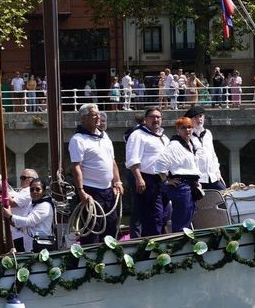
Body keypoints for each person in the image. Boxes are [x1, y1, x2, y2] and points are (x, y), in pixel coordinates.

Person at [68, 104, 124, 245]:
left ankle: (109, 258)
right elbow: (76, 167)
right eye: (94, 115)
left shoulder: (105, 136)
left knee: (111, 226)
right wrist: (81, 191)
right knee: (93, 229)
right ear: (84, 118)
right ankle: (91, 262)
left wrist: (117, 181)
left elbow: (112, 161)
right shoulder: (78, 139)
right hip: (91, 191)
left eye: (98, 114)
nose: (98, 117)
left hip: (108, 190)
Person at [125, 106, 170, 237]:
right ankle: (153, 244)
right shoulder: (138, 135)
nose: (156, 119)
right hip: (147, 179)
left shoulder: (163, 137)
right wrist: (139, 178)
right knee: (153, 215)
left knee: (164, 215)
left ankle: (159, 240)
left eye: (158, 117)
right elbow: (132, 159)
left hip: (163, 180)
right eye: (152, 117)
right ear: (145, 120)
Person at [157, 117, 201, 233]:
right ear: (178, 129)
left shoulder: (190, 143)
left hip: (190, 184)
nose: (187, 130)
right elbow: (160, 164)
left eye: (190, 127)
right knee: (182, 216)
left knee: (189, 214)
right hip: (180, 185)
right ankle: (179, 240)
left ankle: (183, 238)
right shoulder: (174, 145)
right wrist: (166, 181)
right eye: (184, 128)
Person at [186, 105, 225, 191]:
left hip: (212, 177)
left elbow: (213, 155)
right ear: (190, 120)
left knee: (225, 195)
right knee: (201, 202)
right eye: (195, 117)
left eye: (200, 116)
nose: (199, 119)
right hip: (199, 180)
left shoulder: (208, 133)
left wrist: (217, 173)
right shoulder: (188, 136)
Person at [9, 178, 54, 252]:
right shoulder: (31, 205)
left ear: (44, 191)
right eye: (32, 189)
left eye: (37, 189)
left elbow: (30, 221)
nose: (34, 192)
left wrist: (10, 216)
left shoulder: (45, 205)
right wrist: (15, 224)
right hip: (30, 247)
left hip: (41, 248)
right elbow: (25, 223)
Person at [0, 170, 37, 252]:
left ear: (32, 179)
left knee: (23, 254)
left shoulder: (29, 191)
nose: (21, 180)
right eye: (21, 178)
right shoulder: (22, 191)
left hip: (21, 233)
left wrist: (2, 188)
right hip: (16, 231)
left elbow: (12, 203)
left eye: (23, 178)